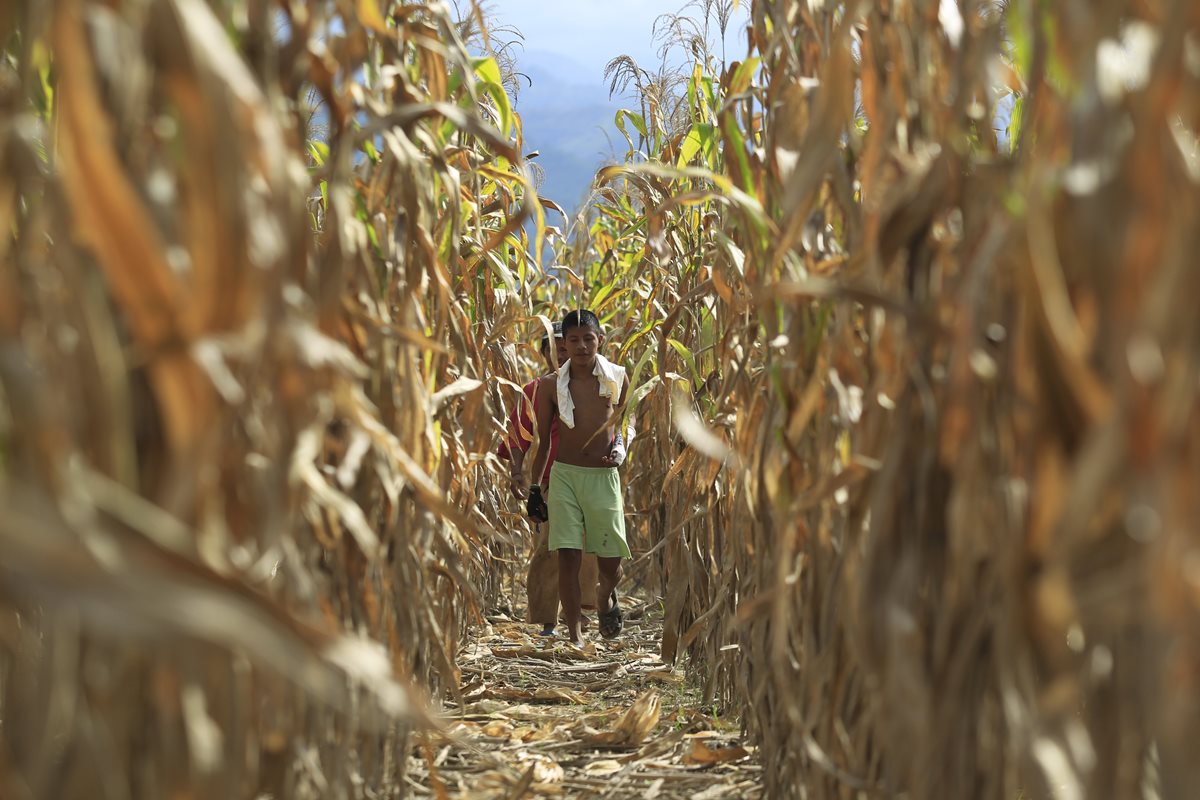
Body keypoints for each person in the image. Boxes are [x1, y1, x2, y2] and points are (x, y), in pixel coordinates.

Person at [528, 309, 633, 647]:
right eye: (573, 340)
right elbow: (543, 441)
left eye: (589, 339)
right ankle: (575, 637)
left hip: (603, 478)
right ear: (564, 344)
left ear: (600, 340)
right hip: (565, 478)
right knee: (568, 556)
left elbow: (624, 427)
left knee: (610, 563)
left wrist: (620, 450)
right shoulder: (549, 386)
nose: (582, 346)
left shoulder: (617, 376)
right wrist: (534, 489)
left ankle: (605, 598)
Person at [498, 323, 599, 636]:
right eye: (553, 347)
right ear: (543, 353)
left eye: (564, 345)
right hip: (550, 481)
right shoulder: (536, 389)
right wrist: (517, 471)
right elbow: (518, 435)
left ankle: (580, 614)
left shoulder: (596, 385)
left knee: (587, 546)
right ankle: (546, 619)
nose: (561, 352)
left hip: (589, 477)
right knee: (550, 547)